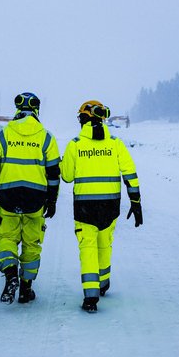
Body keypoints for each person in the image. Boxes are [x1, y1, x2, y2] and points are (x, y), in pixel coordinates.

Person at [60, 100, 142, 313]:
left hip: (84, 207)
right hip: (110, 205)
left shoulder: (75, 144)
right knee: (105, 245)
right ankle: (103, 283)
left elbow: (66, 177)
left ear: (83, 119)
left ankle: (91, 297)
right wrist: (135, 201)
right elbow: (130, 172)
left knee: (88, 248)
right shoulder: (115, 143)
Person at [0, 92, 60, 304]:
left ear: (18, 110)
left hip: (7, 197)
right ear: (36, 111)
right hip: (35, 199)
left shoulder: (2, 135)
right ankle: (26, 288)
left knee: (7, 239)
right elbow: (54, 174)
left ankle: (10, 275)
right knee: (32, 243)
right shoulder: (47, 137)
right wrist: (52, 200)